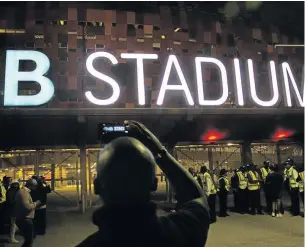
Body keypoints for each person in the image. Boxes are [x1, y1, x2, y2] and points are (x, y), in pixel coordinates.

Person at [77, 121, 210, 247]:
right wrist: (158, 150)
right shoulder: (180, 233)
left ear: (96, 186)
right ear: (154, 184)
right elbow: (196, 199)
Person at [15, 179, 41, 247]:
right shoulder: (24, 193)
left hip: (24, 219)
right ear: (31, 186)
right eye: (35, 186)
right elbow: (27, 207)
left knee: (29, 239)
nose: (35, 188)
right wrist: (36, 203)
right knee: (29, 241)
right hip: (25, 219)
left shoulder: (23, 191)